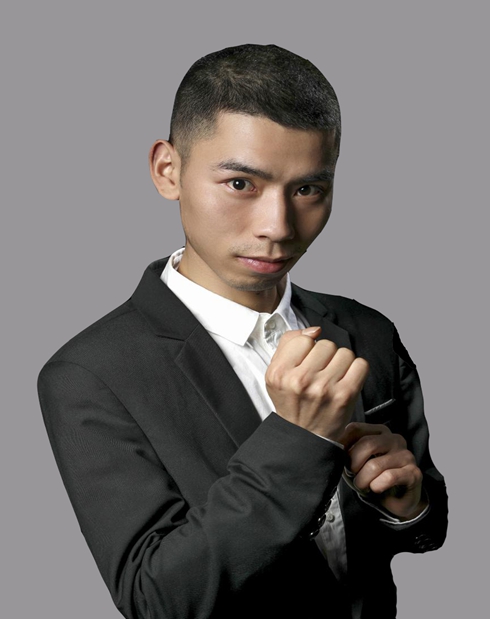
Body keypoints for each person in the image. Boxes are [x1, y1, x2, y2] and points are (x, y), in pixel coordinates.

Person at [38, 44, 448, 619]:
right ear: (168, 170)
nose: (277, 226)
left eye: (307, 190)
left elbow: (426, 527)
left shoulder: (368, 330)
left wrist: (407, 505)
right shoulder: (89, 375)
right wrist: (300, 439)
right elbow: (158, 601)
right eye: (240, 184)